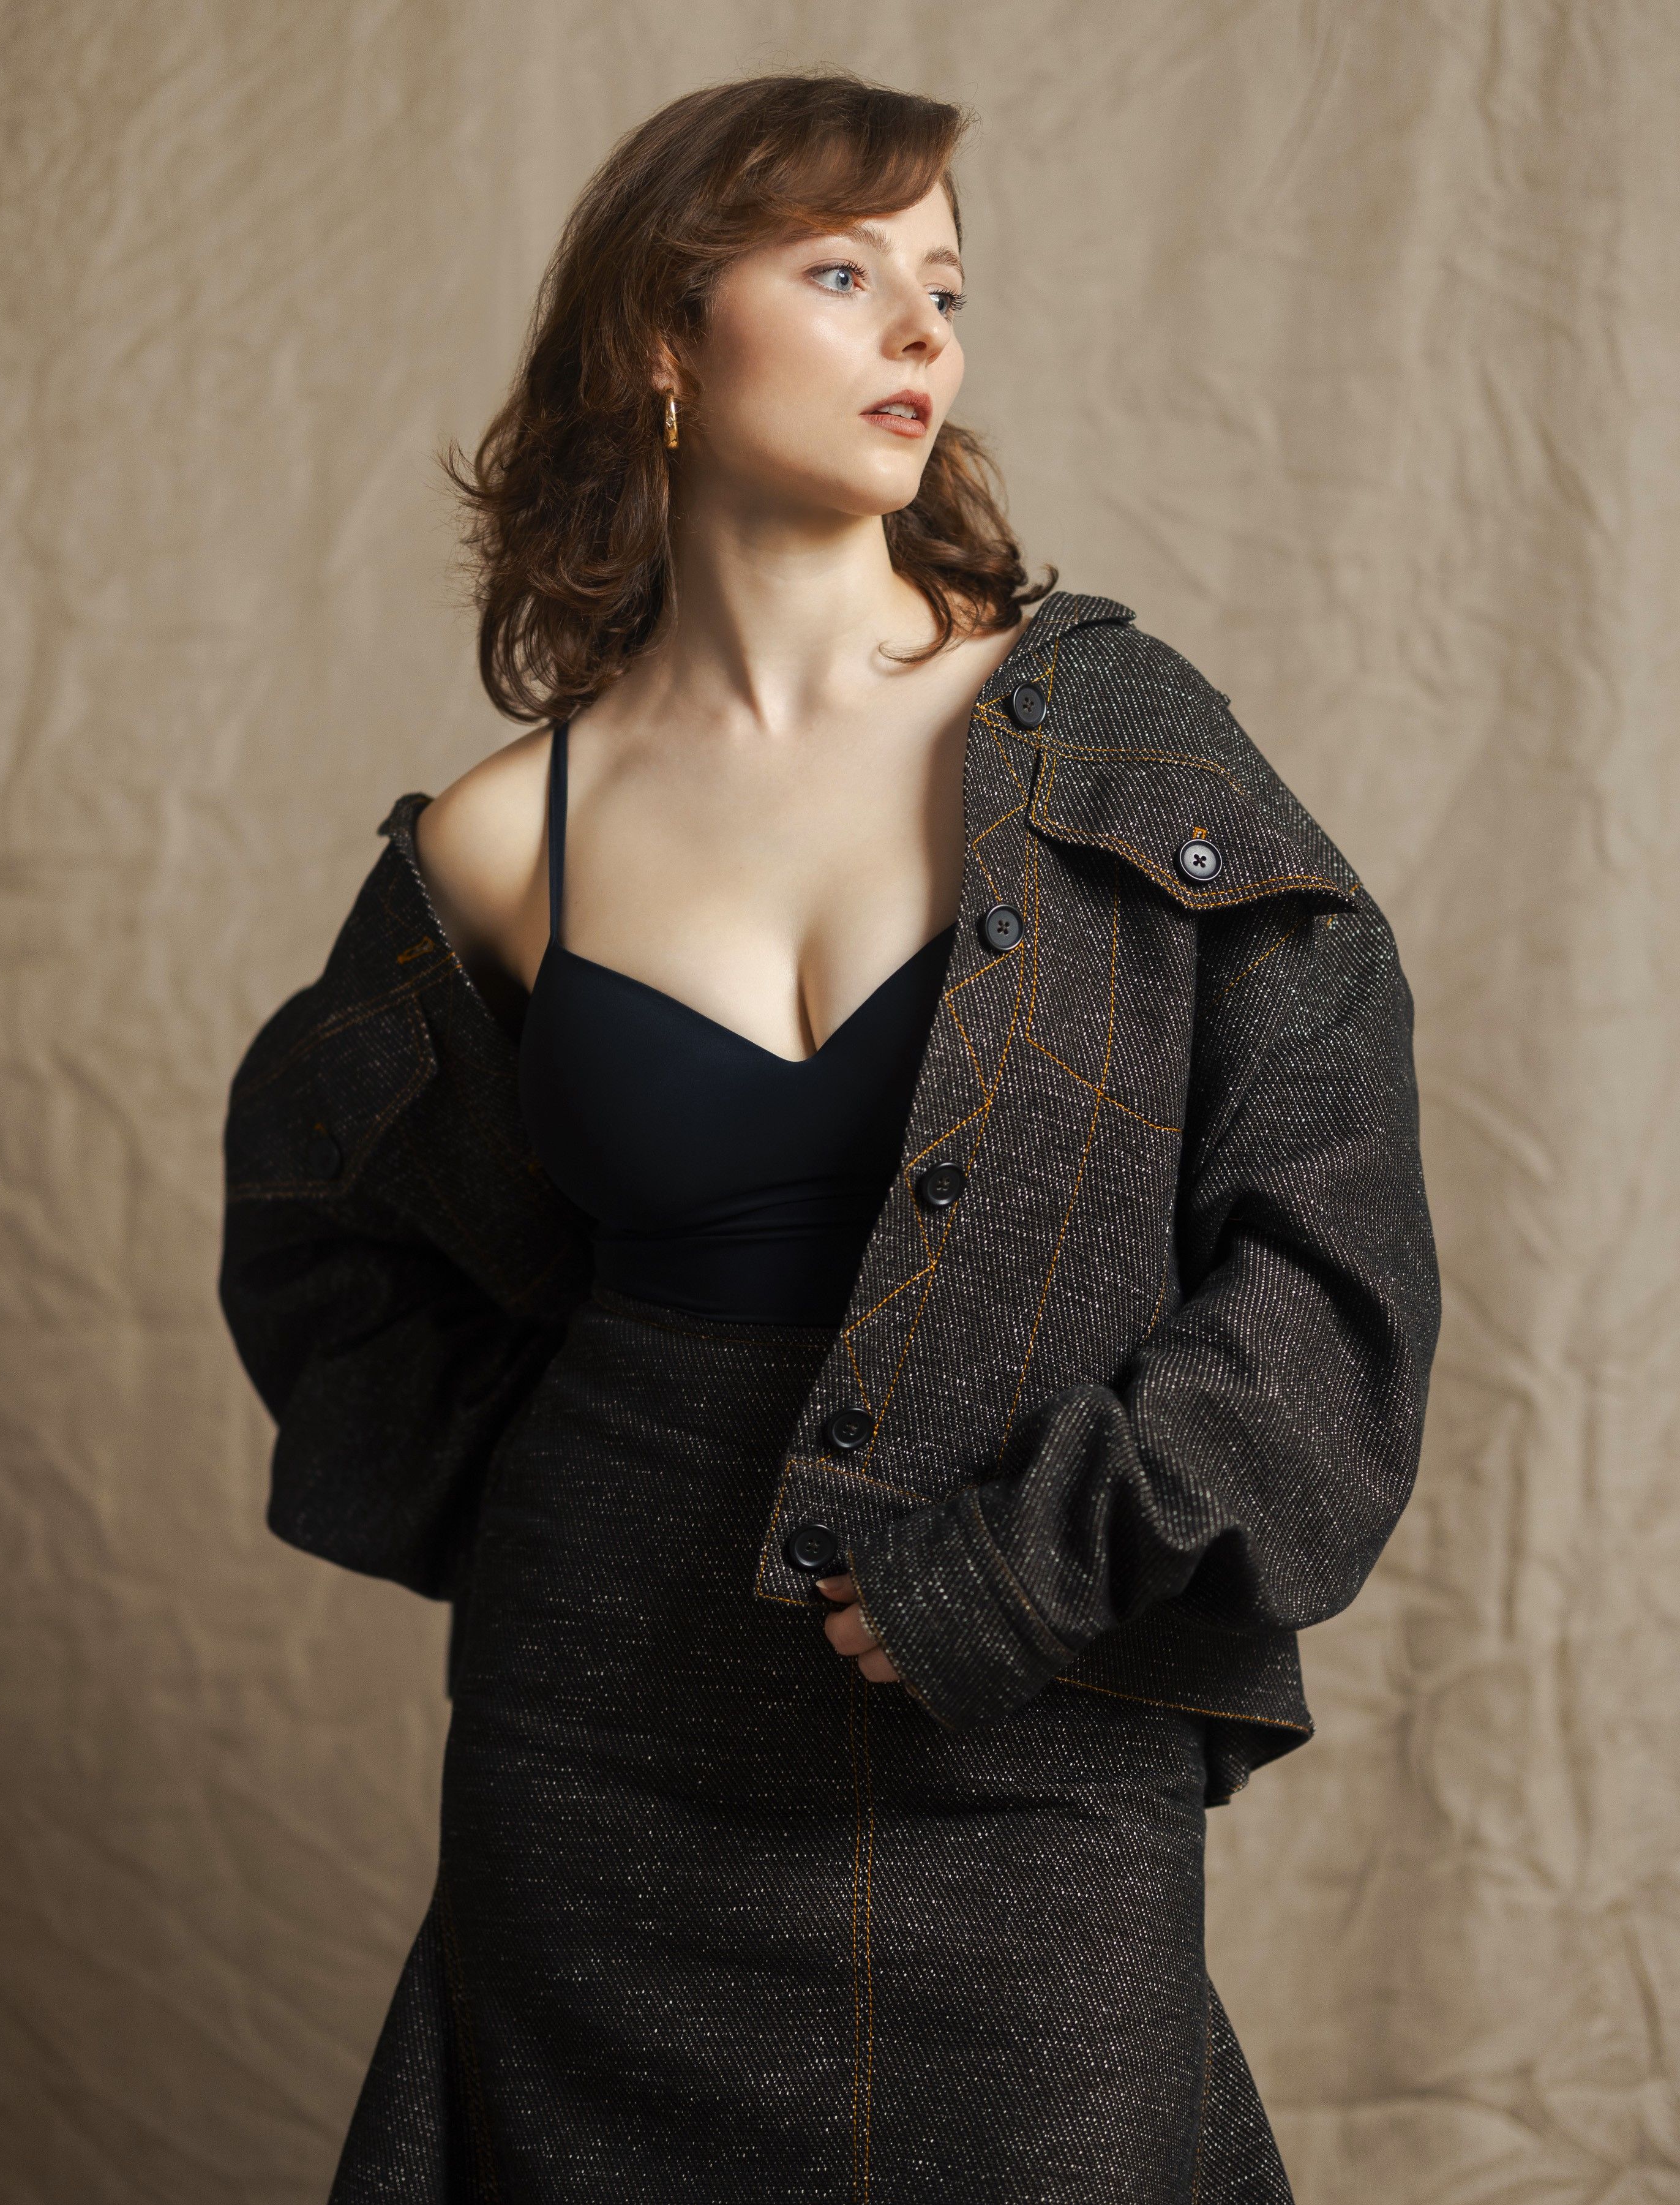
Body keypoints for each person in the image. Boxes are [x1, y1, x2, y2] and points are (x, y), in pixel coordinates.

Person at [219, 72, 1440, 2204]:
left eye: (944, 284)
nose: (922, 329)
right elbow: (326, 1238)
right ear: (663, 341)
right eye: (844, 272)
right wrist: (555, 1503)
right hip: (605, 1741)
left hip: (1025, 1725)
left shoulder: (1111, 738)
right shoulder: (505, 837)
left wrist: (1030, 1560)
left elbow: (1337, 1260)